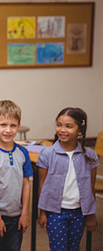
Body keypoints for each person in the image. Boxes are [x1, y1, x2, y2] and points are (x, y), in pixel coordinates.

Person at [37, 107, 99, 251]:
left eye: (68, 126)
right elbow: (42, 186)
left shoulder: (89, 156)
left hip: (79, 212)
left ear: (80, 130)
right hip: (56, 213)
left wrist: (91, 215)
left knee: (74, 248)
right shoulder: (47, 154)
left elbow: (91, 188)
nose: (62, 130)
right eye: (59, 125)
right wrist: (42, 213)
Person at [0, 100, 32, 251]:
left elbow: (26, 183)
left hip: (16, 215)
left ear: (18, 125)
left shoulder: (23, 152)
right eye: (3, 125)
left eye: (13, 125)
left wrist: (25, 213)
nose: (8, 130)